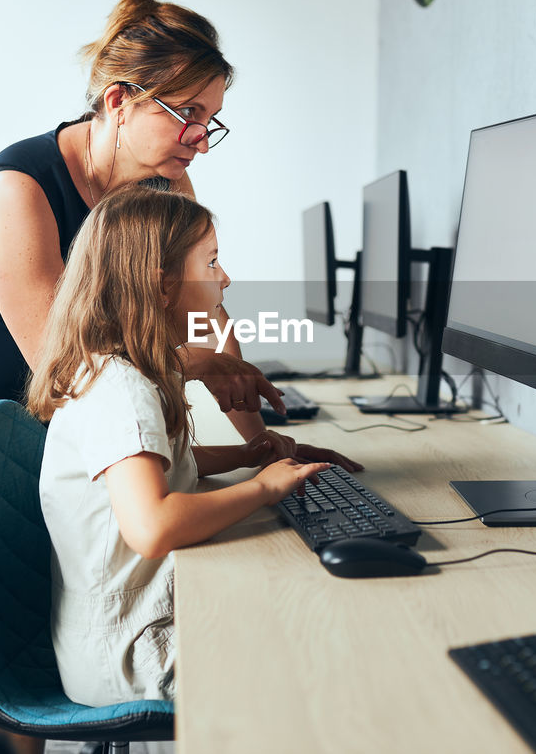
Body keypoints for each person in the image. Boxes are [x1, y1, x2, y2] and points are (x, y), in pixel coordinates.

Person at [0, 0, 358, 754]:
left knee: (31, 591)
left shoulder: (165, 183)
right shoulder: (19, 190)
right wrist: (203, 370)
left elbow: (204, 306)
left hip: (23, 394)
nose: (200, 139)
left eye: (212, 119)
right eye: (187, 114)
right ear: (118, 100)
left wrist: (261, 434)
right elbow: (70, 368)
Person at [28, 187, 332, 706]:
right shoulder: (119, 389)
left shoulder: (128, 369)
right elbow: (153, 525)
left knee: (304, 611)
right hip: (135, 648)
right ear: (162, 286)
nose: (226, 278)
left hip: (135, 623)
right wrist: (263, 488)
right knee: (315, 647)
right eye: (211, 263)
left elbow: (163, 468)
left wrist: (249, 455)